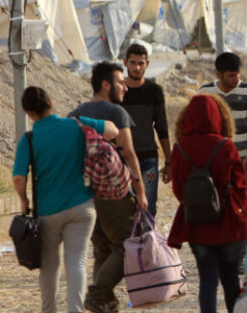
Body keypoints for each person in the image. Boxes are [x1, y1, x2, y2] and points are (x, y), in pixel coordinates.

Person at [12, 87, 117, 313]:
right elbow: (112, 130)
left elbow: (19, 177)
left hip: (48, 212)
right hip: (82, 207)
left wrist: (23, 200)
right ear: (51, 101)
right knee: (76, 262)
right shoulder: (76, 124)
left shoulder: (29, 139)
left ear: (29, 113)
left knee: (50, 266)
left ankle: (49, 310)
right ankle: (75, 310)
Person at [69, 62, 148, 312]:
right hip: (114, 193)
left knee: (102, 249)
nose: (125, 86)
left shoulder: (76, 113)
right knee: (129, 244)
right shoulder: (116, 112)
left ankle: (104, 303)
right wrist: (141, 193)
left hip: (85, 193)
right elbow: (129, 153)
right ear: (106, 85)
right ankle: (99, 293)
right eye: (120, 82)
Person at [168, 95, 247, 313]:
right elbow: (241, 186)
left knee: (207, 280)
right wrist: (246, 221)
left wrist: (197, 204)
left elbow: (178, 189)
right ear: (220, 116)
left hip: (197, 225)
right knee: (231, 280)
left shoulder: (180, 148)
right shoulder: (226, 146)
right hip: (229, 225)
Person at [199, 52, 247, 209]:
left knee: (243, 206)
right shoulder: (205, 93)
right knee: (217, 206)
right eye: (231, 76)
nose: (236, 79)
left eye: (237, 75)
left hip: (243, 160)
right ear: (219, 75)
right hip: (215, 160)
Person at [121, 43, 170, 218]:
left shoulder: (154, 91)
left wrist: (169, 162)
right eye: (133, 63)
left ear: (147, 64)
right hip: (122, 159)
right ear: (125, 63)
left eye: (141, 63)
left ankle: (148, 243)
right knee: (126, 209)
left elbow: (162, 127)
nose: (137, 67)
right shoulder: (118, 91)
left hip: (148, 158)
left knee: (148, 208)